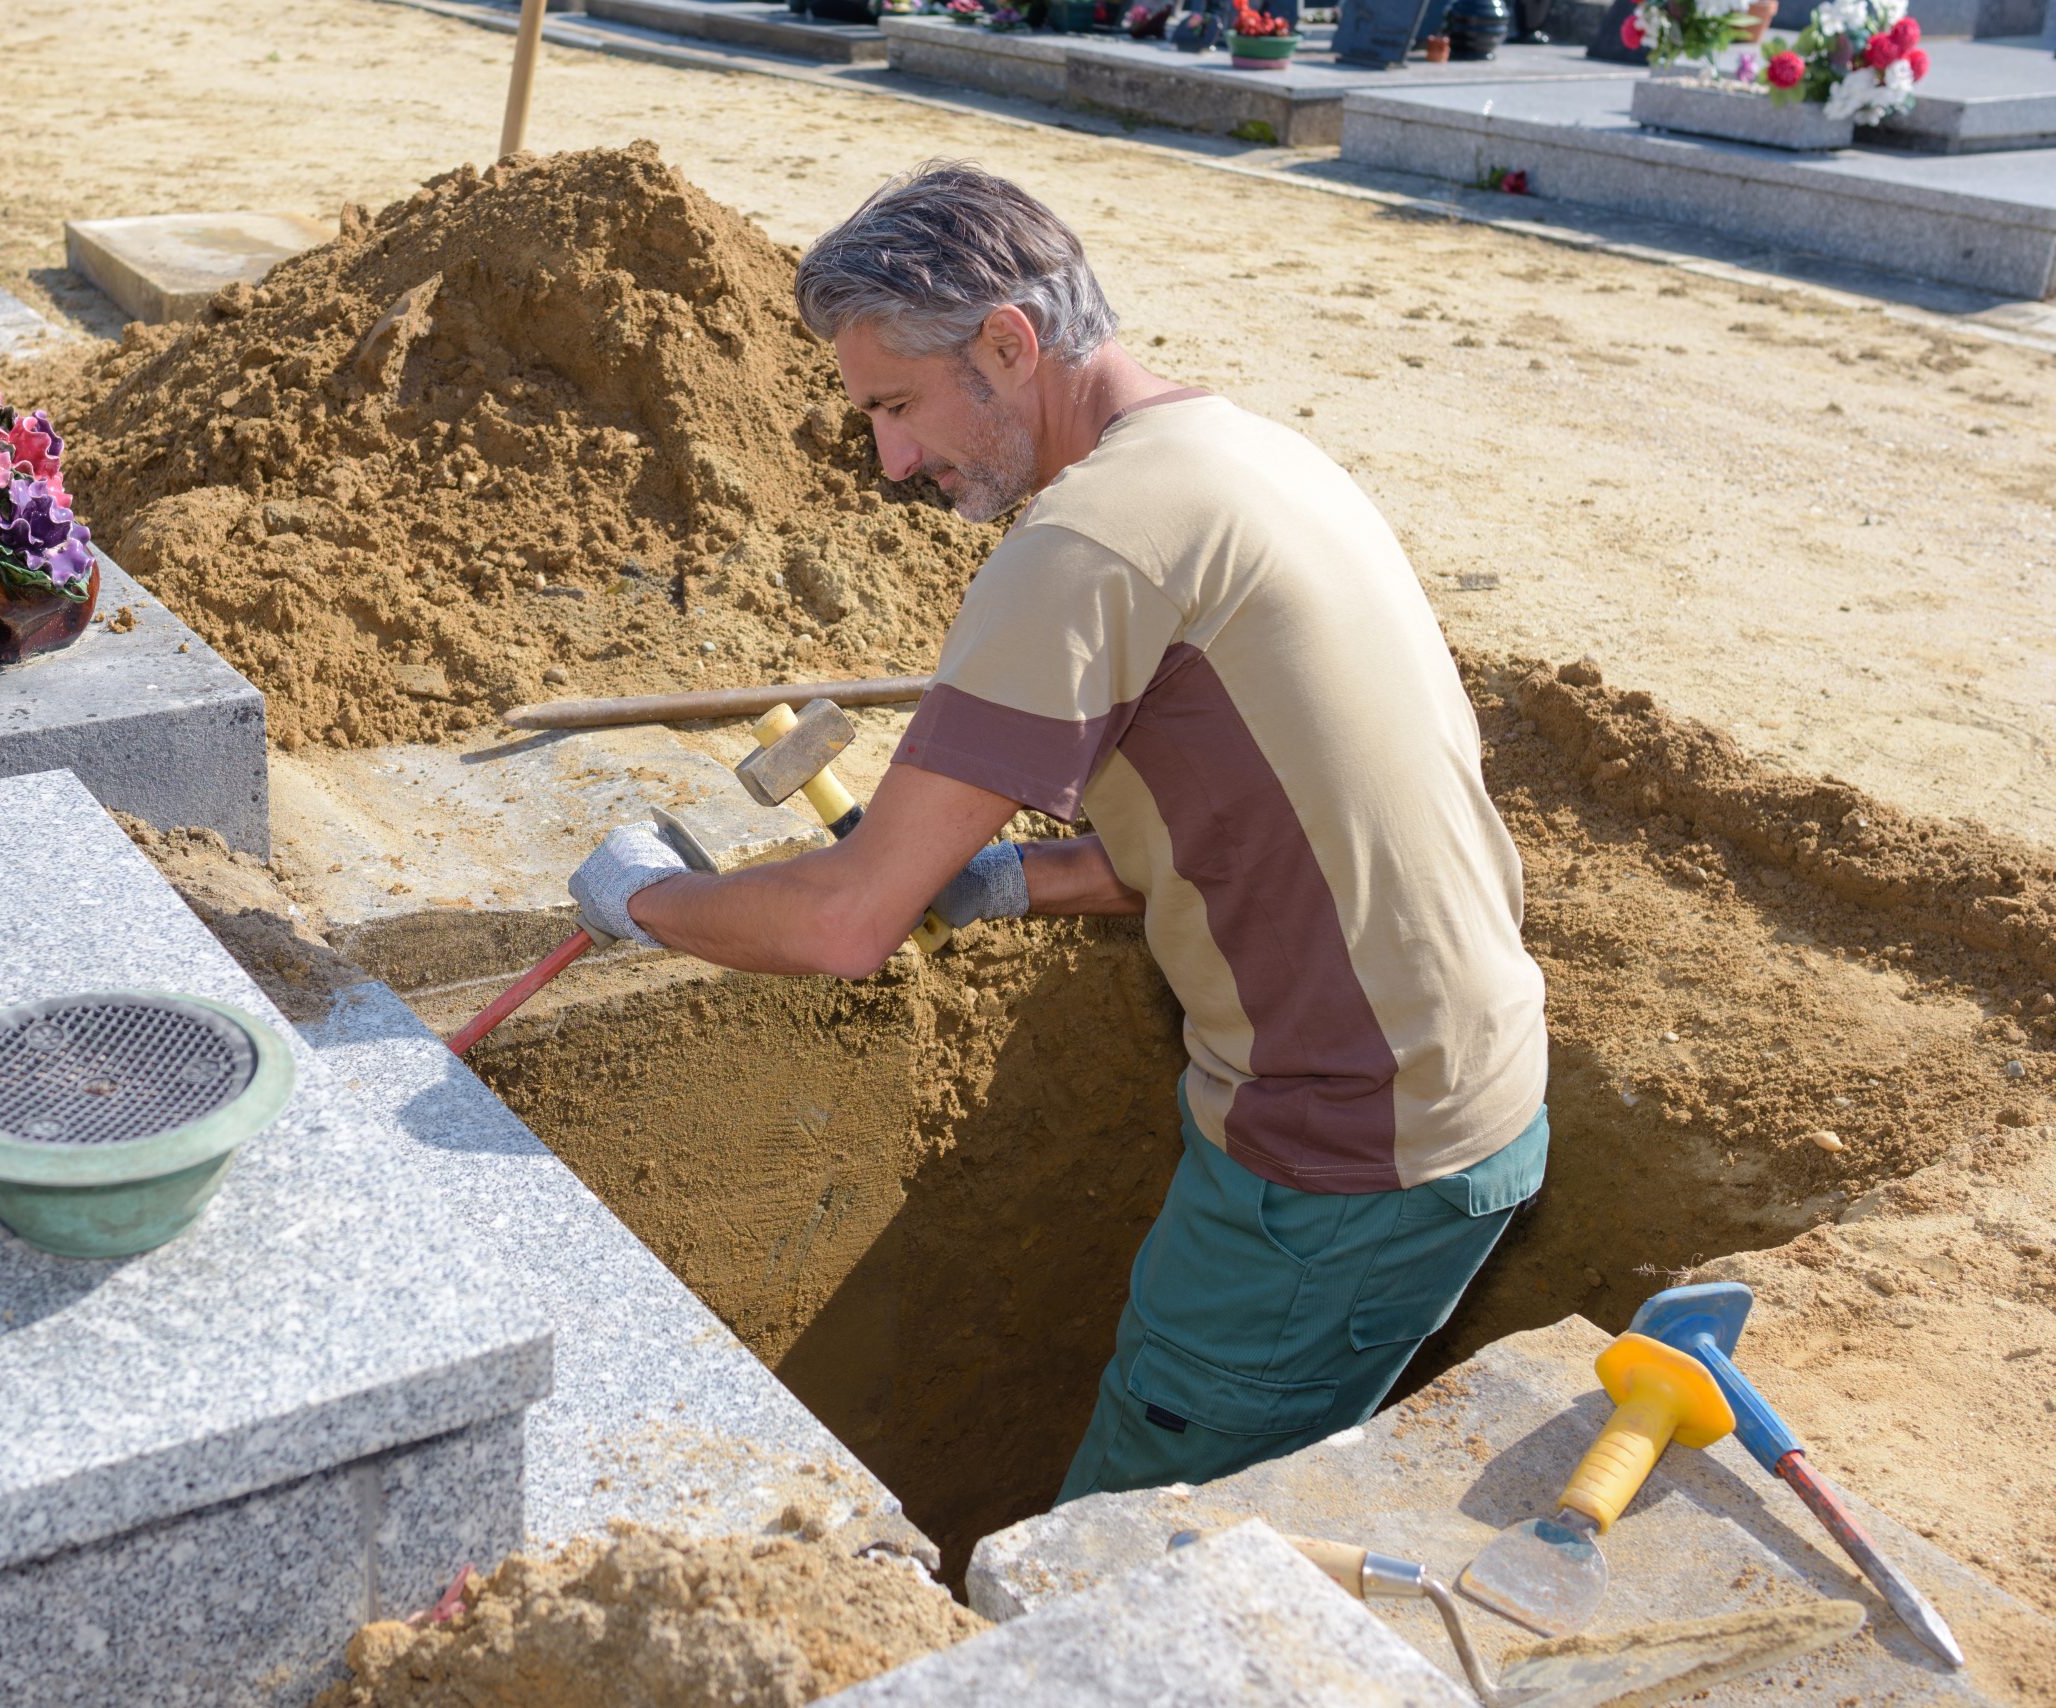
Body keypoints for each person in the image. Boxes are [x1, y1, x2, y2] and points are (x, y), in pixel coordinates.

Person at [566, 161, 1549, 1503]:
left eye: (898, 407)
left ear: (1009, 346)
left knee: (1113, 1560)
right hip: (1468, 1098)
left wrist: (646, 905)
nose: (894, 461)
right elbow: (1271, 818)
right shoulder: (1241, 454)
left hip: (1337, 1169)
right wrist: (1017, 879)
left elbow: (851, 920)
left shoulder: (1087, 545)